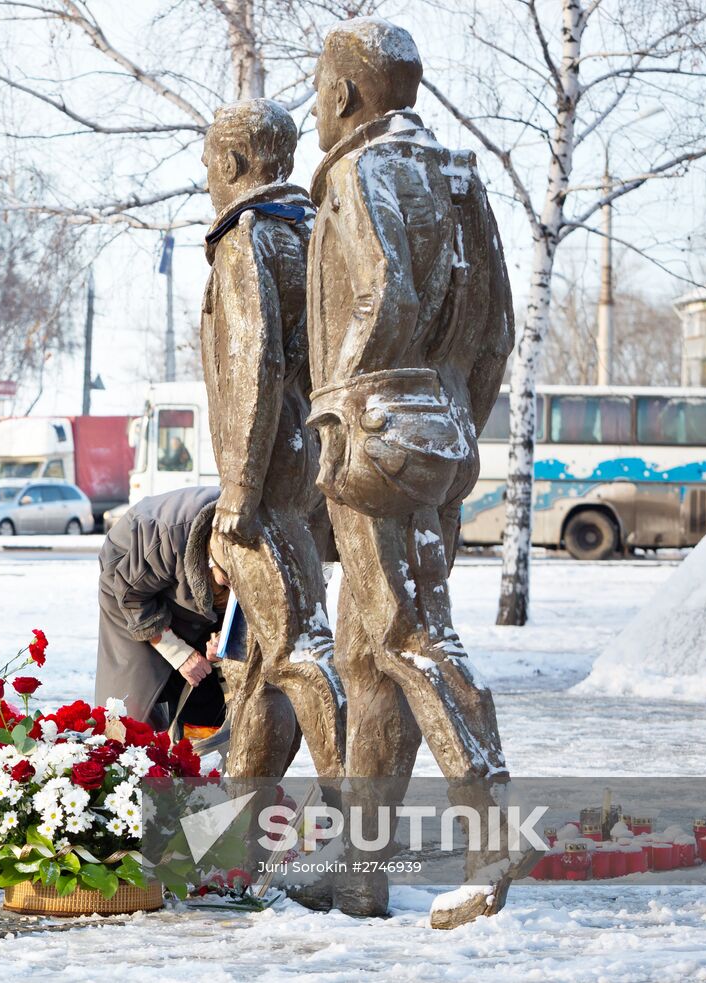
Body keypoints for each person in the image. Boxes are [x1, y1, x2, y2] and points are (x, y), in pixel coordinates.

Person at [304, 19, 518, 926]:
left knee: (405, 635)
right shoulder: (460, 175)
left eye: (320, 87)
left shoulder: (358, 170)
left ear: (346, 95)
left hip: (371, 436)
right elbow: (500, 326)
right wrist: (455, 416)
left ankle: (491, 838)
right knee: (362, 654)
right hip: (438, 434)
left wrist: (341, 400)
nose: (316, 105)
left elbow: (382, 286)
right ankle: (361, 870)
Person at [198, 98, 345, 782]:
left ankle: (361, 821)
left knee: (299, 651)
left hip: (269, 474)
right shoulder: (314, 230)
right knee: (263, 659)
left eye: (208, 163)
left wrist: (239, 489)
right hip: (311, 459)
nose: (207, 177)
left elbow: (255, 362)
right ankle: (238, 820)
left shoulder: (247, 235)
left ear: (229, 162)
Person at [93, 486, 233, 735]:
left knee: (208, 690)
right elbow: (132, 599)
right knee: (133, 702)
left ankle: (186, 756)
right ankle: (133, 759)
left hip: (182, 580)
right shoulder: (167, 535)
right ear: (211, 558)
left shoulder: (253, 538)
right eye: (226, 582)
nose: (234, 591)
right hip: (129, 583)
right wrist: (178, 652)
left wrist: (224, 636)